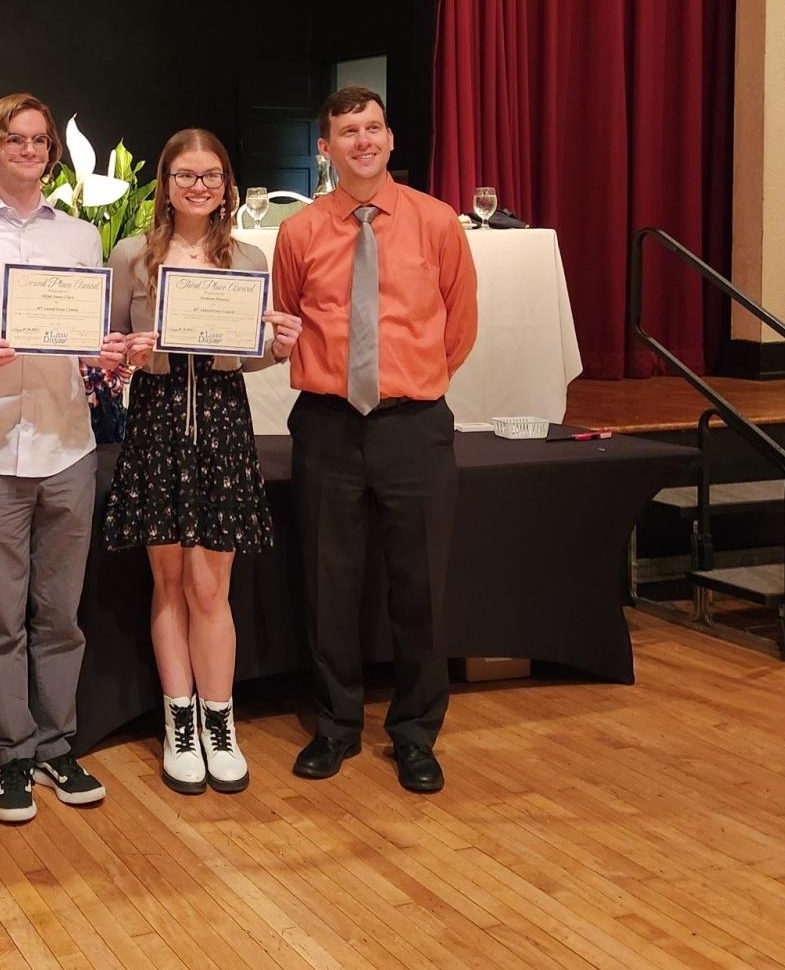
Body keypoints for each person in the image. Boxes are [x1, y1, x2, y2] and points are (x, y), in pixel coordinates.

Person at [0, 93, 125, 823]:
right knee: (0, 618)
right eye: (16, 140)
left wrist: (107, 354)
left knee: (60, 616)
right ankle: (12, 755)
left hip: (69, 443)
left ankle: (56, 746)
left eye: (40, 141)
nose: (31, 151)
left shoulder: (80, 238)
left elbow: (90, 335)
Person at [273, 86, 477, 793]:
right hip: (328, 425)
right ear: (324, 149)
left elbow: (460, 323)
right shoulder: (298, 234)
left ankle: (417, 734)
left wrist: (411, 381)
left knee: (420, 586)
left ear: (390, 140)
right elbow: (289, 315)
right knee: (329, 585)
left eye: (374, 128)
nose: (364, 140)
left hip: (413, 426)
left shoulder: (437, 222)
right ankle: (335, 727)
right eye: (347, 132)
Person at [103, 129, 302, 795]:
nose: (198, 186)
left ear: (226, 187)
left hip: (222, 421)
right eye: (185, 175)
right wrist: (129, 352)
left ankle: (221, 723)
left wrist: (279, 345)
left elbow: (247, 354)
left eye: (210, 175)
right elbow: (109, 353)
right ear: (165, 184)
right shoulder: (132, 255)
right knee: (168, 584)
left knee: (210, 587)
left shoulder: (246, 256)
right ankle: (178, 723)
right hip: (157, 420)